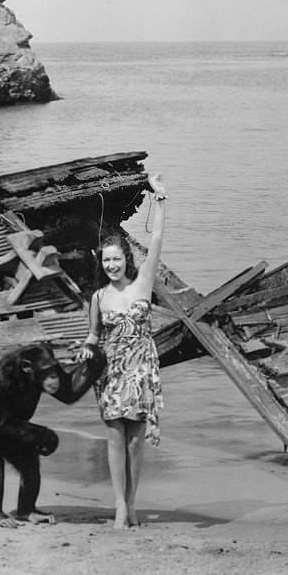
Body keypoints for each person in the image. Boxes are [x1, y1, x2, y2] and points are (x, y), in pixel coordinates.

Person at [79, 174, 167, 529]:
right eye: (106, 261)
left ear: (126, 259)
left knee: (135, 442)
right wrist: (86, 350)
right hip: (112, 372)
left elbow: (157, 239)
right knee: (115, 437)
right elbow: (92, 335)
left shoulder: (143, 284)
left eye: (116, 260)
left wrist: (160, 199)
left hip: (142, 369)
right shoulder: (99, 297)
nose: (111, 265)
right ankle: (119, 506)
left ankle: (132, 504)